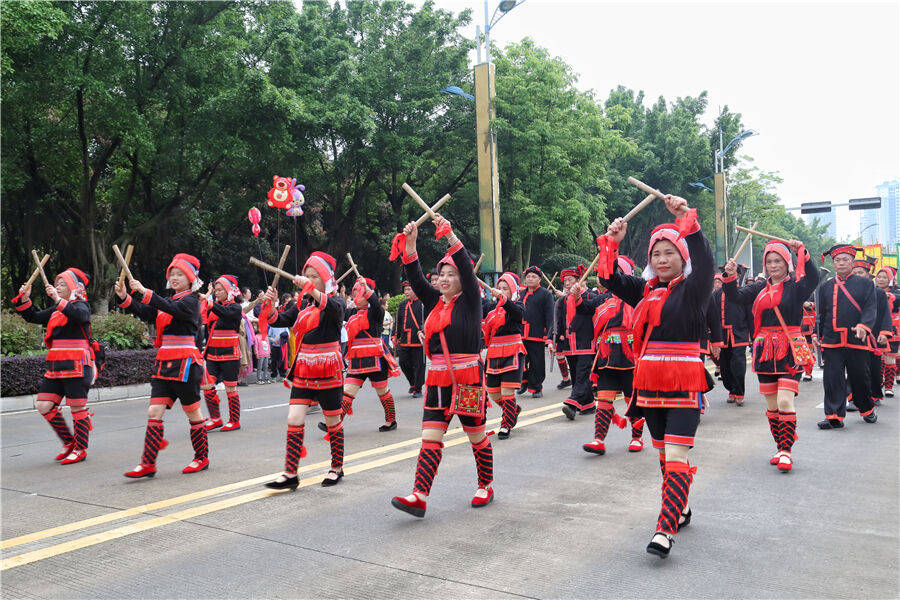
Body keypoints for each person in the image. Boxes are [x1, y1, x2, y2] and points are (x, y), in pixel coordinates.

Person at [596, 194, 714, 558]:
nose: (662, 260)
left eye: (670, 253)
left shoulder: (695, 290)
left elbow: (706, 260)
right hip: (647, 385)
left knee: (676, 454)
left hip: (684, 381)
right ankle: (681, 506)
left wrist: (686, 220)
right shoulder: (643, 290)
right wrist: (612, 243)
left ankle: (664, 530)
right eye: (656, 255)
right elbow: (608, 277)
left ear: (683, 258)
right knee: (664, 456)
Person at [391, 214, 494, 518]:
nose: (445, 278)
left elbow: (464, 264)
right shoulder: (435, 301)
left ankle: (485, 484)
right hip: (436, 380)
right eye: (442, 273)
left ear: (464, 277)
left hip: (467, 379)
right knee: (430, 439)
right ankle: (419, 496)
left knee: (476, 436)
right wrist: (410, 244)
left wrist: (450, 235)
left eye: (452, 273)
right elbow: (417, 276)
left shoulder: (472, 300)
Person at [723, 239, 819, 471]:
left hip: (790, 348)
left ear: (787, 263)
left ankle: (786, 451)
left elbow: (814, 278)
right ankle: (780, 445)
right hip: (764, 349)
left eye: (778, 260)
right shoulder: (758, 288)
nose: (774, 265)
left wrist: (802, 252)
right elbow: (735, 297)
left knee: (785, 400)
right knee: (773, 406)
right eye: (769, 261)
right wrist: (730, 276)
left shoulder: (797, 286)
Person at [116, 253, 209, 478]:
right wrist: (125, 297)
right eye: (172, 274)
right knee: (153, 411)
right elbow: (148, 312)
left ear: (191, 278)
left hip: (186, 363)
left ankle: (201, 457)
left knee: (193, 413)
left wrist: (144, 291)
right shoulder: (171, 301)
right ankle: (148, 463)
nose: (174, 277)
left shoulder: (191, 301)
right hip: (164, 361)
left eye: (180, 274)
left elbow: (169, 309)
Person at [264, 251, 346, 490]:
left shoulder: (336, 302)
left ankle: (336, 467)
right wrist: (271, 302)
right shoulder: (302, 304)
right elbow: (279, 319)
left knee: (332, 421)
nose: (310, 279)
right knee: (294, 418)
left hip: (328, 368)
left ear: (326, 280)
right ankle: (291, 472)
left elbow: (329, 306)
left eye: (315, 276)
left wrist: (310, 288)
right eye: (307, 275)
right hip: (303, 369)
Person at [11, 268, 95, 465]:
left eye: (63, 283)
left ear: (74, 287)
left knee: (77, 407)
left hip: (77, 363)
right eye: (57, 283)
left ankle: (80, 448)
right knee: (43, 405)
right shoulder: (57, 310)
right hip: (56, 365)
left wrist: (58, 299)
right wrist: (25, 298)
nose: (58, 286)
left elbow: (81, 317)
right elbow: (34, 317)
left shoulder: (82, 305)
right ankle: (69, 442)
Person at [582, 256, 645, 455]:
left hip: (629, 356)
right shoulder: (603, 298)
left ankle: (637, 437)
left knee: (632, 400)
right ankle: (598, 440)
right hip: (607, 355)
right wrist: (575, 297)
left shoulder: (637, 297)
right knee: (603, 400)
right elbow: (585, 309)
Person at [816, 245, 878, 429]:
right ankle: (834, 416)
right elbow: (821, 315)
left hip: (856, 340)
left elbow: (870, 308)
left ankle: (866, 408)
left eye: (845, 259)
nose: (841, 263)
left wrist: (863, 326)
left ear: (852, 261)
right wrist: (815, 334)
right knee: (832, 378)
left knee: (859, 378)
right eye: (837, 260)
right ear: (833, 262)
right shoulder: (826, 286)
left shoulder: (866, 284)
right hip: (831, 340)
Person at [327, 277, 399, 432]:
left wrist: (366, 288)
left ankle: (391, 420)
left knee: (382, 391)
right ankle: (335, 423)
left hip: (376, 359)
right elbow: (334, 309)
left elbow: (375, 302)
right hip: (357, 359)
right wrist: (330, 292)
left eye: (358, 292)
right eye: (354, 293)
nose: (355, 296)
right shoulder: (350, 312)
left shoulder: (376, 312)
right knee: (347, 391)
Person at [483, 272, 525, 439]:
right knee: (493, 392)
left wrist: (504, 300)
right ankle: (512, 410)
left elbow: (518, 315)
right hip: (494, 352)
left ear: (512, 290)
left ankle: (506, 424)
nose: (501, 291)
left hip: (512, 350)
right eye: (499, 288)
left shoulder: (518, 305)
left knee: (507, 391)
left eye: (505, 288)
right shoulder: (491, 309)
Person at [199, 275, 244, 431]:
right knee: (207, 385)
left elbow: (225, 313)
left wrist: (210, 303)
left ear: (228, 291)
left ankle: (234, 420)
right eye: (215, 290)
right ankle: (215, 418)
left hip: (230, 353)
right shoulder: (214, 307)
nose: (217, 293)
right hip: (212, 352)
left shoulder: (235, 308)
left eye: (220, 290)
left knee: (230, 388)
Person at [559, 265, 600, 419]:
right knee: (576, 375)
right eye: (565, 281)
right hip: (570, 343)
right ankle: (588, 404)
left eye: (570, 280)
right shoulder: (563, 300)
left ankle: (572, 403)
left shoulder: (589, 296)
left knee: (583, 374)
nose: (567, 283)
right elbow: (561, 321)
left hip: (586, 341)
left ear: (579, 281)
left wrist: (578, 297)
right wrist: (558, 339)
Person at [712, 268, 753, 406]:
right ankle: (731, 390)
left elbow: (750, 316)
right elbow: (711, 317)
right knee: (725, 366)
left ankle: (739, 393)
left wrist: (753, 336)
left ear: (738, 276)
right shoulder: (716, 294)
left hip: (739, 334)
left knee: (738, 365)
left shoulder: (743, 293)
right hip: (722, 335)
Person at [519, 266, 555, 398]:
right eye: (528, 276)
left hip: (537, 334)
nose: (530, 279)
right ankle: (523, 381)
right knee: (520, 361)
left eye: (533, 276)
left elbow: (550, 317)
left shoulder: (546, 294)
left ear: (539, 279)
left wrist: (549, 336)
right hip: (520, 334)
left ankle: (536, 387)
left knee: (537, 363)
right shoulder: (520, 293)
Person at [392, 281, 425, 397]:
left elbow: (427, 321)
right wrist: (394, 336)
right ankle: (412, 383)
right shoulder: (402, 305)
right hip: (405, 340)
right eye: (405, 290)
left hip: (419, 340)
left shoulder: (423, 304)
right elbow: (398, 322)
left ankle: (418, 389)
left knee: (419, 365)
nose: (406, 292)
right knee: (403, 363)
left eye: (409, 289)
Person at [874, 266, 899, 397]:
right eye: (879, 277)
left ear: (890, 279)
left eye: (885, 277)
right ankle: (878, 383)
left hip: (892, 330)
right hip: (875, 329)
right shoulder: (872, 291)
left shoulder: (896, 292)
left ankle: (889, 386)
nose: (881, 279)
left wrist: (890, 296)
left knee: (890, 358)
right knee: (877, 357)